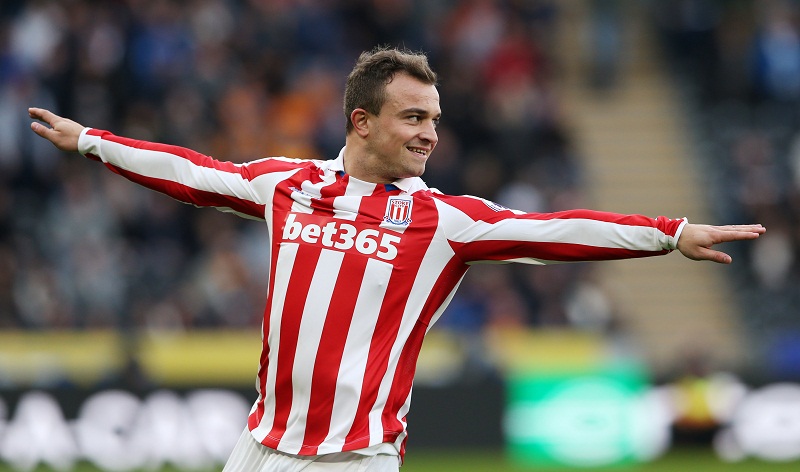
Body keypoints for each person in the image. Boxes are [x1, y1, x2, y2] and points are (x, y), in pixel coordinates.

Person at [28, 47, 764, 472]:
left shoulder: (444, 221)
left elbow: (557, 228)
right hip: (259, 447)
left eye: (435, 121)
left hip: (355, 460)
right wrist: (91, 140)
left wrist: (668, 231)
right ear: (362, 120)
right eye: (414, 118)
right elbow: (189, 171)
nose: (429, 135)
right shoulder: (290, 184)